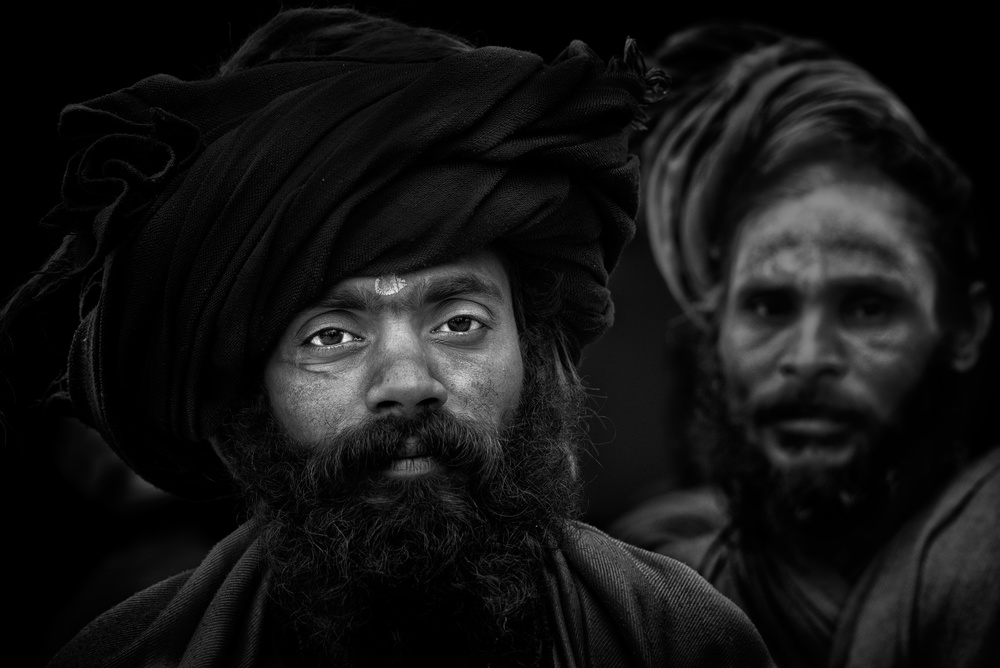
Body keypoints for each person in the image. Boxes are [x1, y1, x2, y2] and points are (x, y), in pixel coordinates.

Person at [1, 8, 775, 667]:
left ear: (533, 354)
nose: (407, 378)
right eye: (332, 336)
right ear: (252, 390)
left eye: (460, 323)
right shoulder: (134, 655)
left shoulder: (677, 637)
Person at [612, 22, 999, 667]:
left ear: (966, 326)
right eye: (769, 306)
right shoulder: (635, 602)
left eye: (869, 306)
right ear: (714, 330)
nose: (811, 356)